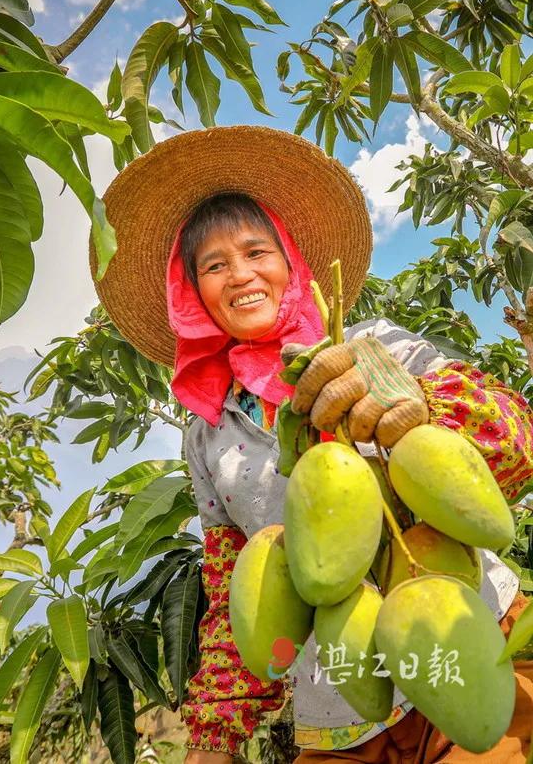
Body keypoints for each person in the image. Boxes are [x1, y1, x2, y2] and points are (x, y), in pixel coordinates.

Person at [92, 125, 533, 763]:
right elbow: (237, 590)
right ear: (193, 296)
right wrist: (212, 740)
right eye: (214, 266)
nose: (240, 275)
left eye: (256, 251)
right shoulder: (207, 433)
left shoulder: (373, 346)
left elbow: (514, 439)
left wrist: (413, 405)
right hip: (342, 713)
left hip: (469, 642)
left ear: (290, 261)